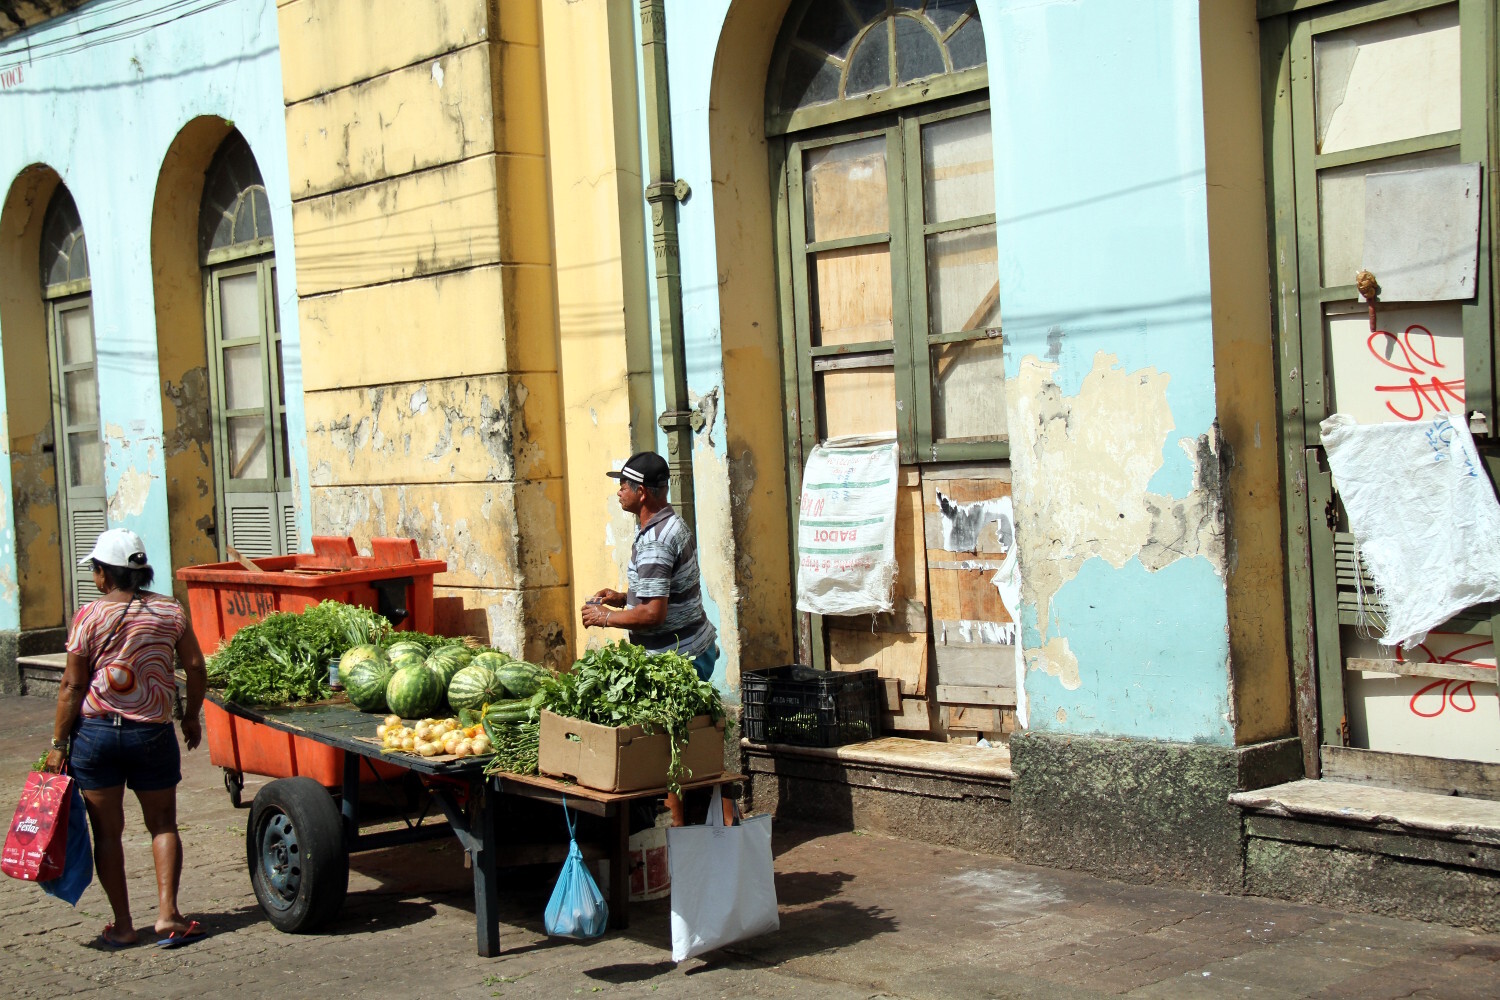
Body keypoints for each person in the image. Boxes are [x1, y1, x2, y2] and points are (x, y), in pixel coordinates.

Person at [42, 529, 208, 949]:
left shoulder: (88, 616)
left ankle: (122, 925)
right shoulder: (170, 612)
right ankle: (168, 915)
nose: (95, 577)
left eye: (96, 570)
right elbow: (195, 667)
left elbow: (71, 686)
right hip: (152, 734)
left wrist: (58, 745)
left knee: (108, 833)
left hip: (96, 737)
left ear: (105, 574)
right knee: (163, 824)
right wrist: (190, 717)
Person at [581, 451, 720, 681]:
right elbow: (666, 592)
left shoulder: (656, 540)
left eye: (623, 487)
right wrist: (626, 598)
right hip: (692, 649)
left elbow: (653, 614)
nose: (619, 492)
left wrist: (605, 617)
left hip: (680, 661)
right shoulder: (669, 524)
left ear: (642, 493)